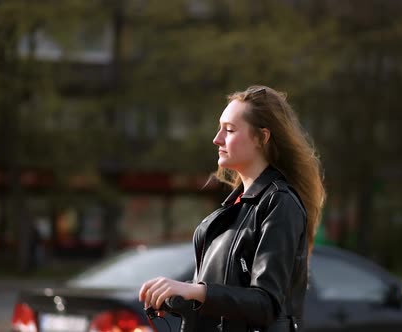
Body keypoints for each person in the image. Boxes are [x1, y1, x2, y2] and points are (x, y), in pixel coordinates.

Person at [139, 85, 326, 331]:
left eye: (229, 130)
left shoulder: (280, 203)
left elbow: (266, 304)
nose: (217, 139)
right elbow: (220, 297)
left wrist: (196, 291)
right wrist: (181, 298)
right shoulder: (233, 208)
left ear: (262, 137)